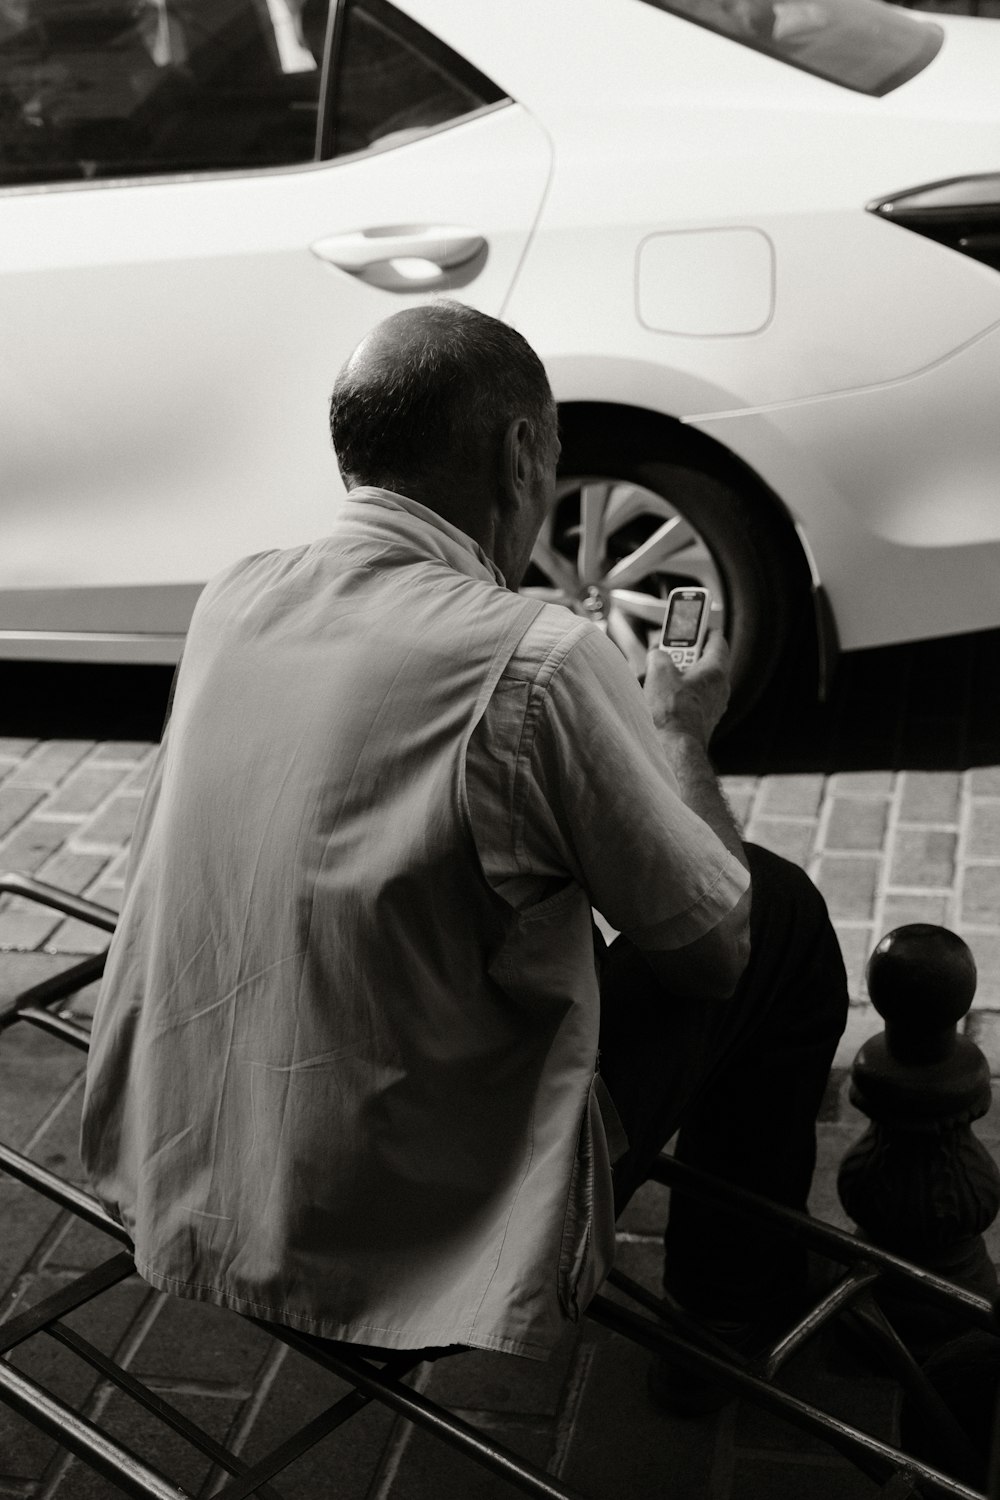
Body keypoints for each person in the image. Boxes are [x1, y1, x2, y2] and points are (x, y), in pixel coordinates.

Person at [80, 301, 847, 1396]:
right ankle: (731, 1313)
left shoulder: (235, 596)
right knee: (773, 915)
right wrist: (677, 734)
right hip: (405, 1245)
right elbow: (709, 951)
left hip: (197, 1176)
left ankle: (733, 1286)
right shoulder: (537, 657)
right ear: (522, 452)